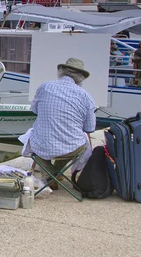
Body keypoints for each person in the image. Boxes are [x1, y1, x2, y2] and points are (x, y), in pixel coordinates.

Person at [28, 58, 95, 188]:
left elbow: (35, 110)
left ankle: (49, 175)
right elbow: (89, 128)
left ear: (61, 72)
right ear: (81, 78)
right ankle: (56, 175)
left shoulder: (44, 87)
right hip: (72, 148)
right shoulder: (86, 96)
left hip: (43, 145)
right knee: (75, 141)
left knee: (33, 141)